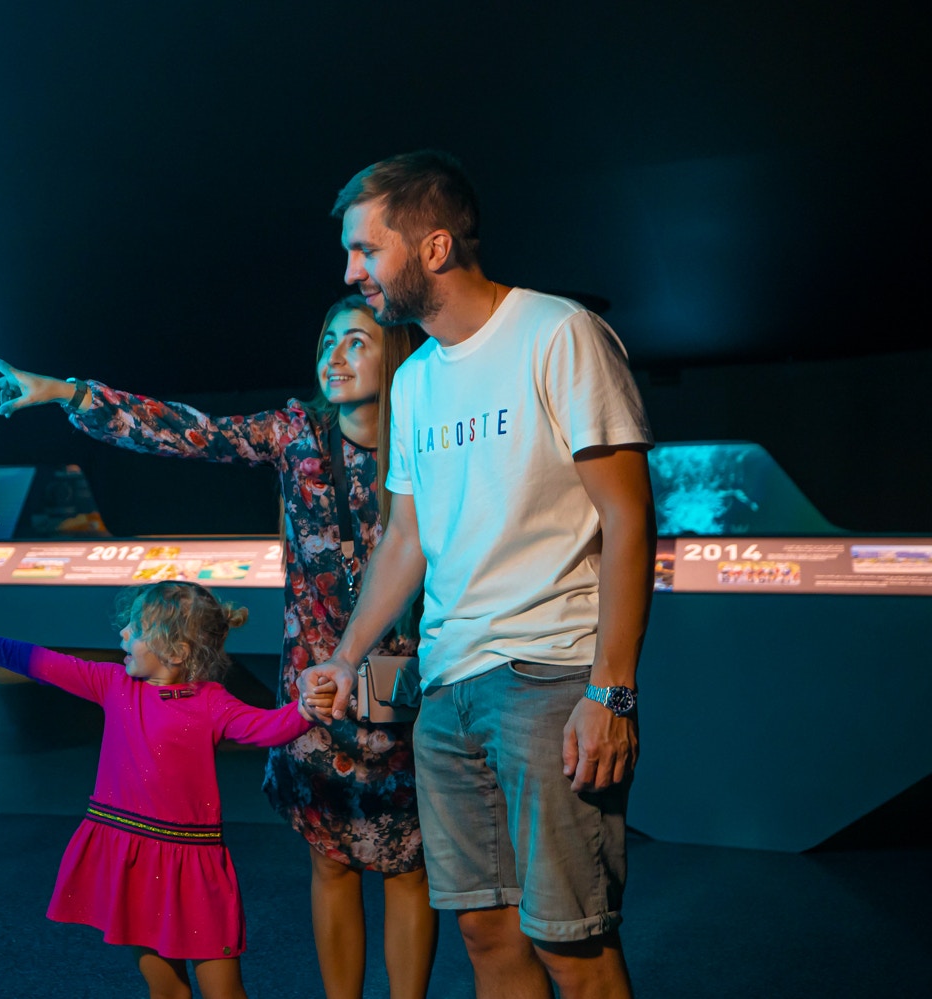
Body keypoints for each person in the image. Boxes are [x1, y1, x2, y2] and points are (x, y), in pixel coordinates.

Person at [0, 295, 439, 999]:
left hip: (407, 692)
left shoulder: (427, 437)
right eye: (328, 342)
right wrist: (71, 393)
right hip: (315, 691)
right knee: (330, 861)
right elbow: (191, 432)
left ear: (397, 352)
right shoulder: (295, 431)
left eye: (358, 342)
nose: (335, 357)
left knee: (410, 868)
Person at [299, 150, 655, 999]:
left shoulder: (558, 333)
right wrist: (347, 657)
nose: (352, 273)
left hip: (550, 679)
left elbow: (630, 516)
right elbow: (405, 539)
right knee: (486, 935)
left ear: (434, 247)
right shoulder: (415, 379)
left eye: (366, 250)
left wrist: (612, 692)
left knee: (573, 940)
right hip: (448, 686)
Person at [0, 582, 319, 999]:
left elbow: (267, 727)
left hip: (194, 869)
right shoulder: (112, 684)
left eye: (138, 628)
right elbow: (41, 662)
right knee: (165, 991)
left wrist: (306, 708)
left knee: (225, 992)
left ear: (176, 651)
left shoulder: (212, 703)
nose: (123, 632)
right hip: (134, 862)